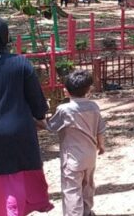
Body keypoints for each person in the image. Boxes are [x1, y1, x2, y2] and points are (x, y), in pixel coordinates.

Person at [0, 17, 54, 215]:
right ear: (3, 36)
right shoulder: (21, 64)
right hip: (18, 132)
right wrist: (39, 117)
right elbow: (37, 101)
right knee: (13, 179)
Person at [45, 70, 106, 216]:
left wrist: (36, 121)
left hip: (72, 157)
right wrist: (101, 146)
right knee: (87, 185)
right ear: (89, 90)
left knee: (71, 189)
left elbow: (50, 127)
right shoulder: (93, 107)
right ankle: (87, 211)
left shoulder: (64, 110)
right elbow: (100, 130)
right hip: (90, 155)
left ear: (66, 91)